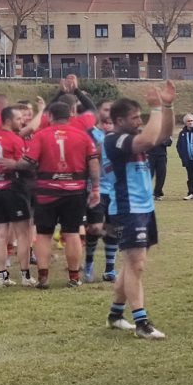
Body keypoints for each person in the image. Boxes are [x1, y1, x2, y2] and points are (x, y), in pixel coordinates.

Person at [103, 83, 176, 339]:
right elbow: (147, 138)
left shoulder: (129, 137)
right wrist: (155, 107)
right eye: (135, 118)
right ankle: (142, 323)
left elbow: (163, 133)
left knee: (131, 264)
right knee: (137, 265)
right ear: (119, 120)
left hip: (144, 208)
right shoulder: (115, 140)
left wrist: (167, 106)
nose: (139, 121)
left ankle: (115, 314)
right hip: (127, 209)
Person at [7, 101, 100, 289]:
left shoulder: (41, 135)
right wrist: (96, 188)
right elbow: (93, 164)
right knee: (72, 233)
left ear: (49, 117)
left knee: (43, 234)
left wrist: (14, 164)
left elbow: (28, 162)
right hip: (75, 191)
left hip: (47, 191)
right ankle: (74, 277)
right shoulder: (83, 137)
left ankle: (43, 276)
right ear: (70, 117)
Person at [0, 106, 34, 287]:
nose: (22, 121)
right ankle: (25, 275)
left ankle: (2, 277)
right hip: (13, 189)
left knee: (0, 234)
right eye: (18, 118)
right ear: (8, 120)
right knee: (23, 234)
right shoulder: (14, 140)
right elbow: (24, 164)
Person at [84, 100, 119, 283]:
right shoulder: (90, 134)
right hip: (96, 189)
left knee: (113, 229)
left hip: (116, 191)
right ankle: (88, 264)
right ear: (98, 112)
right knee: (96, 227)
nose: (109, 113)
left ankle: (110, 269)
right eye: (106, 109)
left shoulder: (121, 135)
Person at [148, 135, 172, 200]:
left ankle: (157, 193)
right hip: (150, 156)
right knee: (149, 175)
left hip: (161, 156)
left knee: (161, 175)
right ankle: (146, 193)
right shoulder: (149, 131)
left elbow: (169, 142)